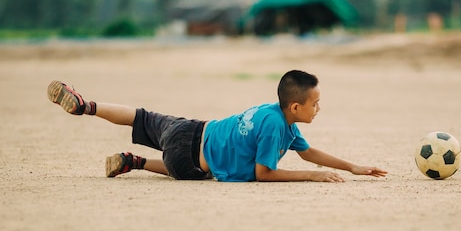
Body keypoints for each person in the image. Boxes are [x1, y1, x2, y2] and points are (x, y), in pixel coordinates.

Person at [47, 70, 387, 182]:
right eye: (315, 104)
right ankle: (135, 162)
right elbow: (263, 174)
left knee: (140, 115)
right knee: (201, 169)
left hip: (189, 129)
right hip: (189, 161)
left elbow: (308, 151)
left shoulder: (275, 113)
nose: (319, 108)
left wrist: (352, 166)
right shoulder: (275, 128)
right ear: (296, 107)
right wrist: (312, 176)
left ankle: (86, 106)